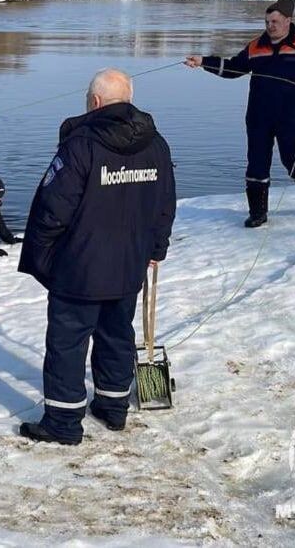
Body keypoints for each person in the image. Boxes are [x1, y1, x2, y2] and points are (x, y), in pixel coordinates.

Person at [17, 68, 176, 445]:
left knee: (68, 343)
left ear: (95, 102)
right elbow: (165, 205)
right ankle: (113, 407)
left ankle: (63, 423)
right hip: (128, 265)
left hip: (80, 268)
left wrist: (42, 258)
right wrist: (155, 249)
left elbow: (51, 209)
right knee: (117, 335)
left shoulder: (81, 144)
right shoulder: (158, 143)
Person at [185, 0, 295, 227]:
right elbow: (233, 68)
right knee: (257, 163)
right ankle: (257, 214)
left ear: (288, 20)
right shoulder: (256, 45)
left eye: (274, 22)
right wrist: (203, 61)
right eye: (267, 22)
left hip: (291, 115)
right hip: (258, 116)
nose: (270, 26)